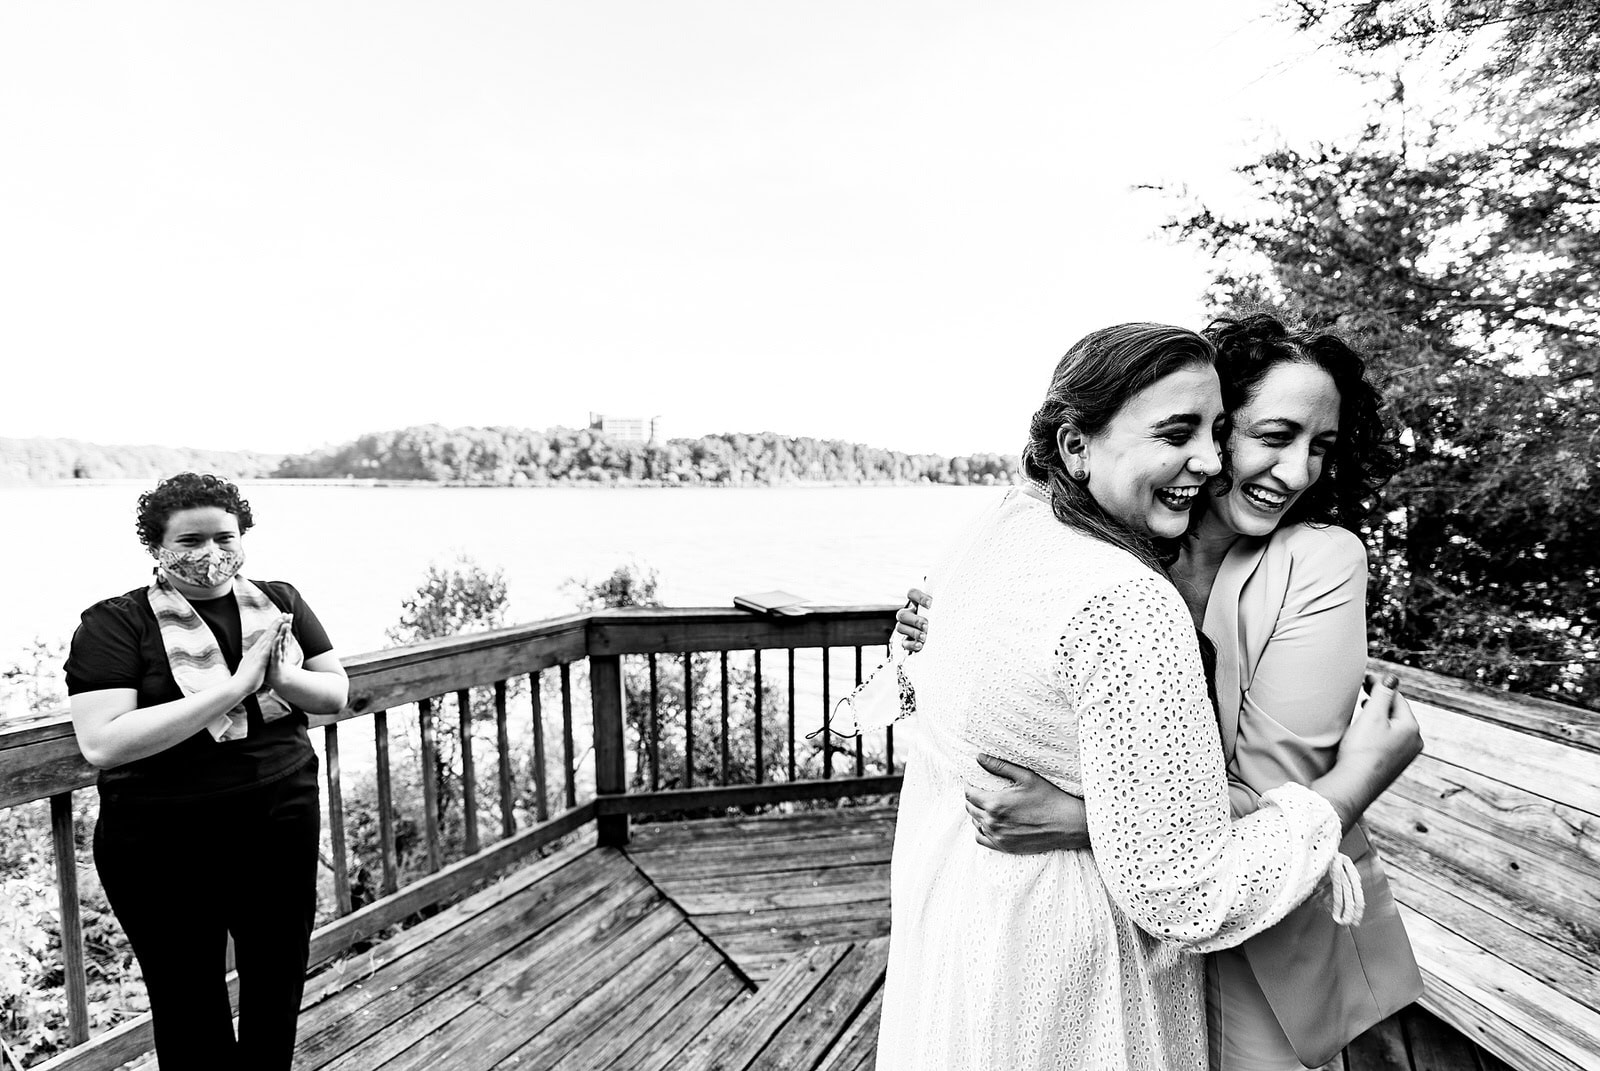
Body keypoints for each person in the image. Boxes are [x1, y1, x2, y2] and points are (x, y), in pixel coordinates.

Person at [874, 322, 1422, 1071]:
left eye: (1320, 447)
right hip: (1128, 935)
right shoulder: (1126, 548)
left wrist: (1079, 817)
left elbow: (1277, 790)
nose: (1296, 472)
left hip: (1264, 947)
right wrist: (956, 627)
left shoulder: (1316, 560)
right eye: (1270, 435)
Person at [65, 473, 348, 1071]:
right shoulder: (116, 623)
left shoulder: (280, 602)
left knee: (276, 978)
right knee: (187, 996)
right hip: (162, 837)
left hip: (280, 815)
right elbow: (103, 743)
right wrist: (237, 686)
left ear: (243, 536)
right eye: (189, 540)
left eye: (224, 537)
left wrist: (279, 679)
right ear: (157, 547)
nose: (209, 553)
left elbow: (335, 692)